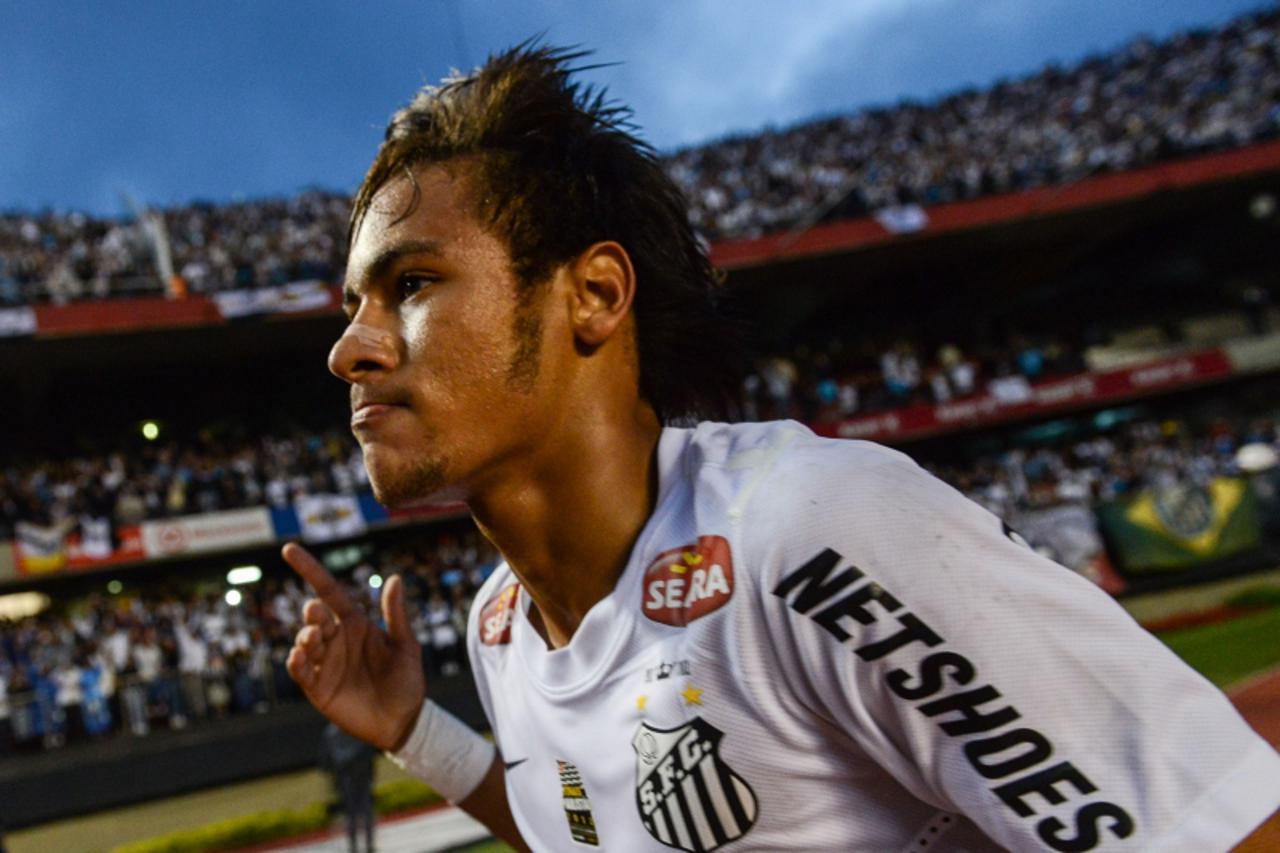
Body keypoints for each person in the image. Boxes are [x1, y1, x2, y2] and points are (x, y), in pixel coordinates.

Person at [284, 44, 1280, 851]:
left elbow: (1214, 827)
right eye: (352, 306)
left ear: (592, 295)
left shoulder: (806, 527)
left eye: (410, 285)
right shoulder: (498, 624)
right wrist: (417, 733)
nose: (348, 349)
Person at [319, 721, 377, 853]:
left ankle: (356, 846)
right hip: (355, 774)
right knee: (363, 810)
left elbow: (326, 760)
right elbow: (368, 750)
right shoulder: (355, 727)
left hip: (348, 775)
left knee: (353, 813)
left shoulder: (332, 732)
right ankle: (367, 845)